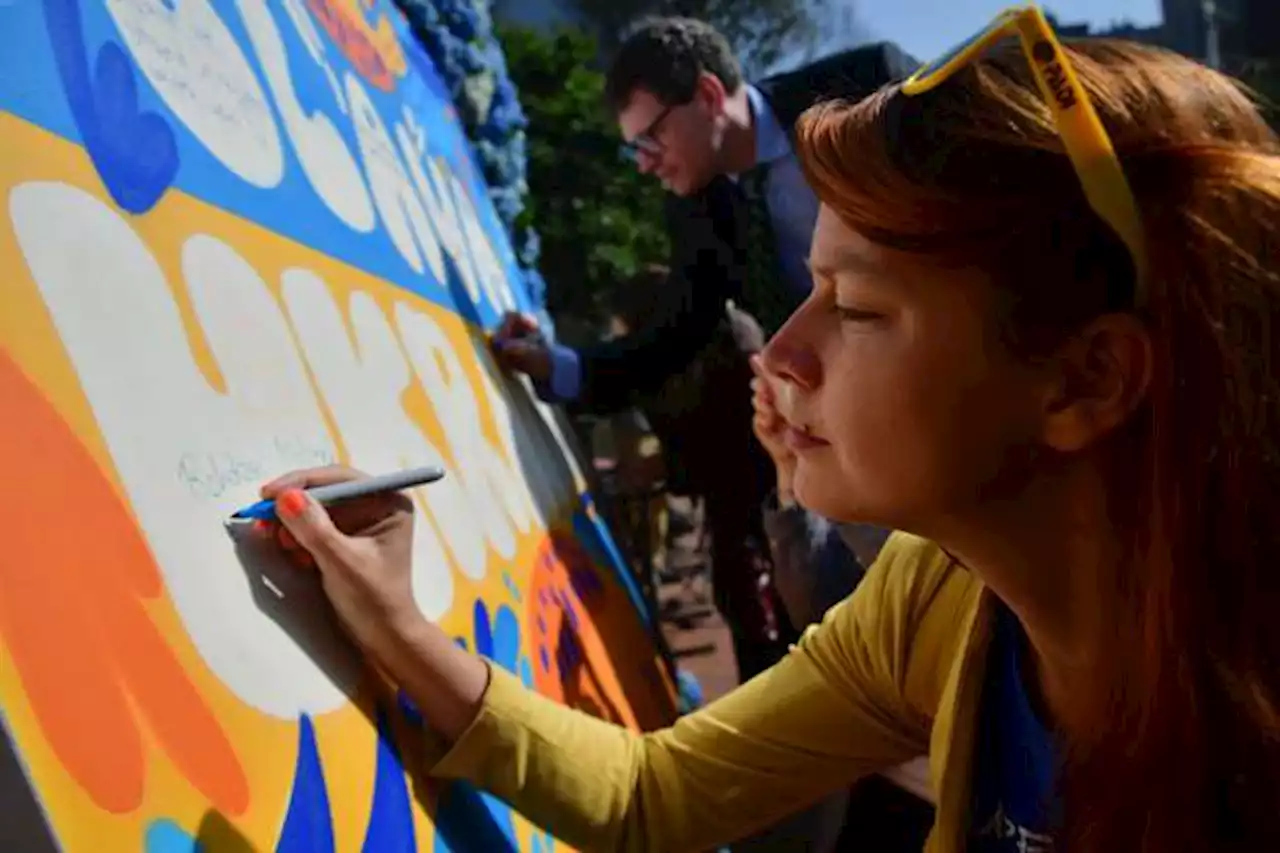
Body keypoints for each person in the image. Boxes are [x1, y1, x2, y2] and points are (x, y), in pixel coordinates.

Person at [254, 11, 1280, 852]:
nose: (780, 354)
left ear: (1086, 378)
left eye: (860, 306)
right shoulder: (931, 600)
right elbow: (651, 795)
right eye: (811, 283)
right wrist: (396, 623)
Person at [493, 16, 915, 681]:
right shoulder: (699, 204)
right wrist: (559, 365)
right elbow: (675, 333)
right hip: (851, 444)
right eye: (632, 148)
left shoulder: (874, 86)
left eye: (651, 135)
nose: (643, 163)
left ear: (710, 95)